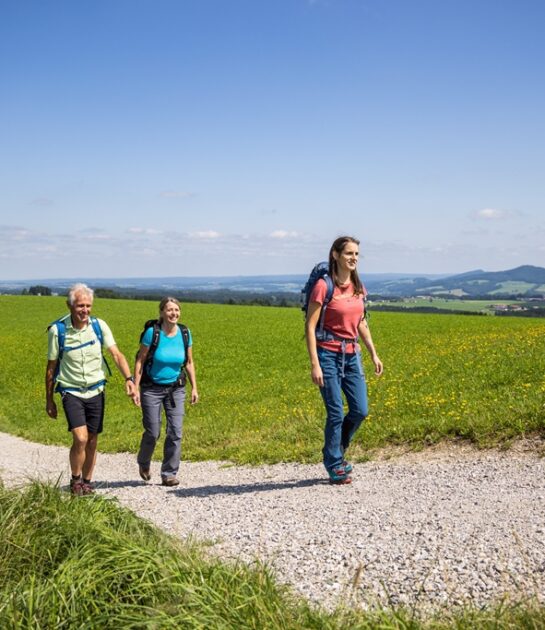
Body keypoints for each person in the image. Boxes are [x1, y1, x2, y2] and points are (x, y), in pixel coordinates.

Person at [305, 236, 383, 484]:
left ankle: (335, 449)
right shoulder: (323, 286)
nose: (354, 258)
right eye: (349, 253)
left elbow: (361, 321)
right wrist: (315, 363)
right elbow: (310, 325)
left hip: (352, 355)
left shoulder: (358, 286)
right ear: (336, 255)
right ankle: (335, 463)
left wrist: (373, 352)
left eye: (357, 254)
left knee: (360, 410)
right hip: (327, 354)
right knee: (336, 412)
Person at [45, 283, 136, 495]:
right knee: (81, 438)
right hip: (71, 391)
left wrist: (129, 378)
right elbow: (50, 369)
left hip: (96, 390)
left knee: (93, 439)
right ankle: (75, 480)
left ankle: (87, 482)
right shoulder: (57, 331)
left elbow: (116, 354)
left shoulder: (99, 326)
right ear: (69, 305)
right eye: (80, 306)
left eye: (88, 305)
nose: (84, 310)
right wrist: (49, 400)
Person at [132, 297, 198, 487]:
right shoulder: (152, 334)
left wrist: (194, 387)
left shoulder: (185, 333)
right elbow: (140, 360)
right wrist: (135, 387)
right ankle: (144, 462)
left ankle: (169, 473)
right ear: (161, 312)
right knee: (153, 432)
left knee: (175, 431)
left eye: (176, 310)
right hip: (151, 389)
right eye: (169, 310)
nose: (173, 313)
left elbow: (189, 362)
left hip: (176, 388)